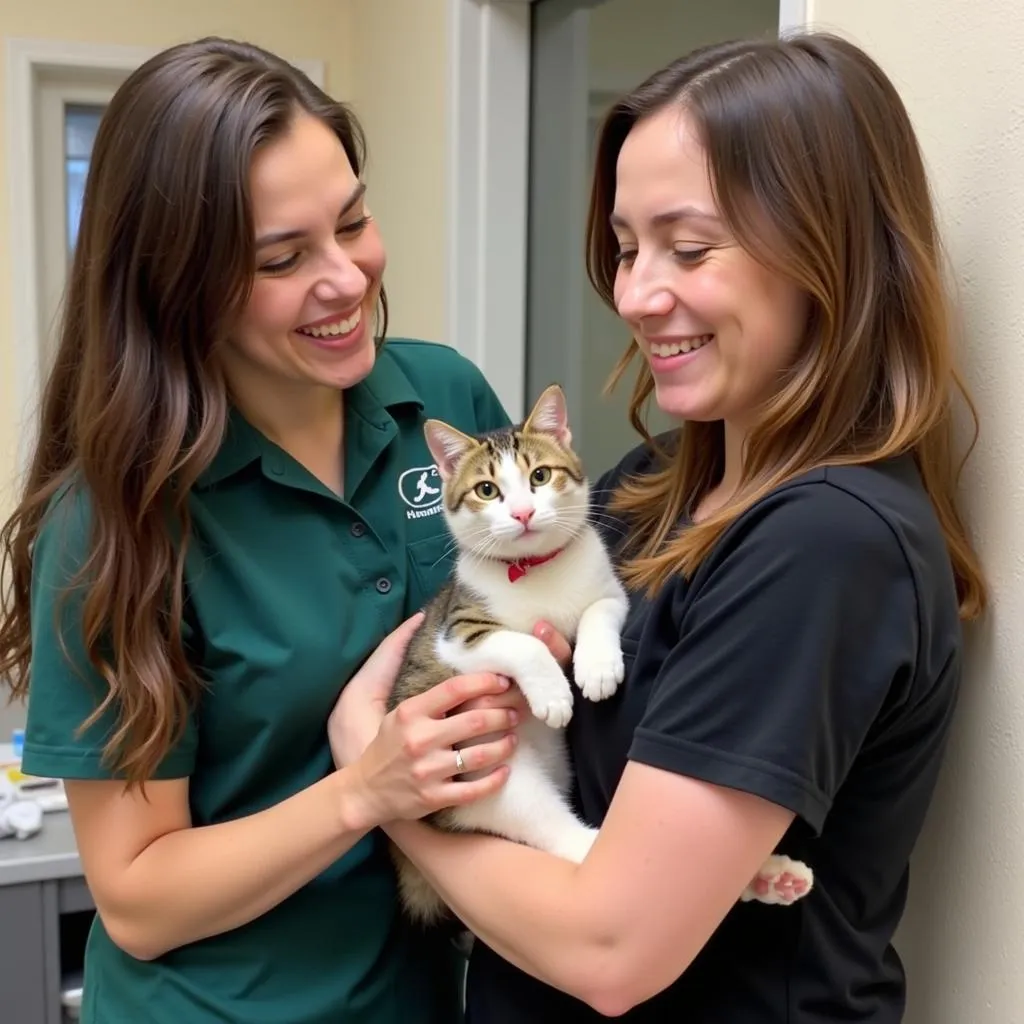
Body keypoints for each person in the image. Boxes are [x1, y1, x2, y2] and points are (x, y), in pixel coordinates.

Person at [330, 31, 988, 1023]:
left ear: (827, 253)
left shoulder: (823, 546)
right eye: (628, 247)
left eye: (687, 247)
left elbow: (612, 949)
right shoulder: (656, 485)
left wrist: (374, 784)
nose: (634, 295)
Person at [0, 37, 526, 1024]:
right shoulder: (117, 523)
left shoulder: (444, 398)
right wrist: (362, 789)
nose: (346, 278)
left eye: (355, 222)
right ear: (176, 287)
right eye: (283, 258)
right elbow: (138, 895)